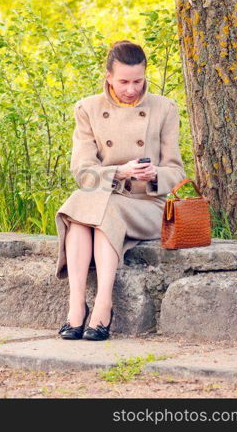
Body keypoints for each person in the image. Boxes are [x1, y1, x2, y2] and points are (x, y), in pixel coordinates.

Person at [54, 40, 186, 341]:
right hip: (104, 198)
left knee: (90, 211)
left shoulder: (164, 108)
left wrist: (154, 174)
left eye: (137, 81)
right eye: (124, 81)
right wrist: (119, 172)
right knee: (86, 210)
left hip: (147, 203)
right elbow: (82, 172)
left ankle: (102, 304)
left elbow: (177, 172)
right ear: (109, 76)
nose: (131, 89)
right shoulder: (87, 109)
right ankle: (77, 306)